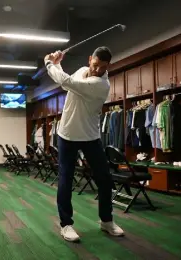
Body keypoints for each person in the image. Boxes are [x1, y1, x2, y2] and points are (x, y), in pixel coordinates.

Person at [44, 47, 124, 242]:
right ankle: (66, 225)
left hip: (90, 136)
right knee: (66, 179)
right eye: (95, 65)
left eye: (103, 67)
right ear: (90, 59)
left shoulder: (100, 85)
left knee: (104, 179)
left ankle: (106, 221)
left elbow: (66, 81)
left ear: (108, 66)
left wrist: (49, 63)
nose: (97, 70)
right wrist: (59, 62)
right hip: (68, 134)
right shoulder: (81, 70)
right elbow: (67, 84)